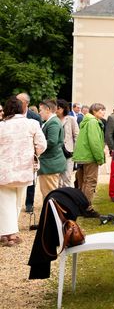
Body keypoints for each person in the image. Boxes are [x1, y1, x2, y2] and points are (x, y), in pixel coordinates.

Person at [0, 96, 46, 247]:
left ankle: (7, 233)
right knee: (17, 202)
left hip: (4, 170)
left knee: (6, 202)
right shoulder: (31, 124)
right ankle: (11, 234)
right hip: (24, 169)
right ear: (22, 108)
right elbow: (42, 145)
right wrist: (34, 153)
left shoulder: (1, 126)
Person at [73, 103, 106, 218]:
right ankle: (87, 208)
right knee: (90, 182)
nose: (103, 113)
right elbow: (95, 142)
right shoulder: (93, 122)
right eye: (102, 110)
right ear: (95, 111)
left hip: (83, 156)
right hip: (89, 156)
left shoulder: (88, 121)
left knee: (84, 182)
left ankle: (81, 207)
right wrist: (99, 158)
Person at [17, 92, 42, 212]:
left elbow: (39, 138)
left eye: (19, 101)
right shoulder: (12, 114)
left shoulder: (35, 117)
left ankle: (29, 203)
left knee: (31, 179)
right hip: (15, 152)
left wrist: (35, 152)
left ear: (26, 103)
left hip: (30, 153)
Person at [38, 99, 67, 199]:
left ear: (48, 110)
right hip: (50, 162)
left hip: (50, 164)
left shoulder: (53, 122)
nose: (39, 112)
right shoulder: (51, 121)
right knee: (49, 194)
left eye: (40, 110)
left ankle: (51, 214)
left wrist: (36, 146)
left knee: (49, 195)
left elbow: (52, 141)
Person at [56, 99, 79, 188]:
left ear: (62, 109)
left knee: (67, 176)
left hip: (68, 152)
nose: (55, 110)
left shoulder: (71, 119)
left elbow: (76, 135)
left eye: (57, 108)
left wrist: (76, 151)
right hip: (57, 152)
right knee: (57, 177)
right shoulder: (53, 119)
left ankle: (68, 198)